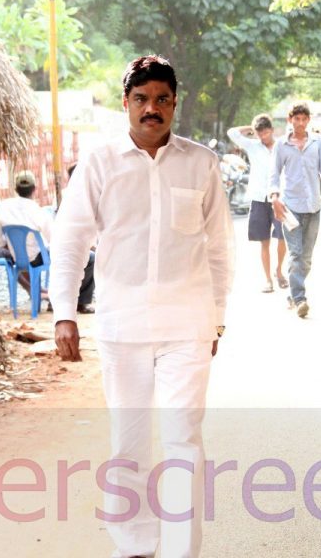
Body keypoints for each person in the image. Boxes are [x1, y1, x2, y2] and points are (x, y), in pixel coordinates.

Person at [50, 55, 234, 558]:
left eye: (162, 100)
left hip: (188, 325)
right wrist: (64, 311)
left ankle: (179, 550)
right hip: (121, 326)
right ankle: (134, 545)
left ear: (175, 103)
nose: (152, 109)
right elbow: (70, 239)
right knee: (127, 445)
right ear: (125, 103)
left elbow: (219, 246)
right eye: (141, 100)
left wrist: (216, 316)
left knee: (182, 443)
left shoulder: (201, 163)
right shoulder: (100, 161)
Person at [0, 171, 95, 313]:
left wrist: (14, 248)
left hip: (15, 259)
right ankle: (79, 303)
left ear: (16, 189)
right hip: (38, 258)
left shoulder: (3, 208)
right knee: (89, 258)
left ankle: (56, 301)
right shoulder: (37, 211)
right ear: (34, 189)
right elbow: (55, 238)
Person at [269, 102, 321, 318]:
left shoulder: (317, 142)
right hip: (290, 207)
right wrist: (275, 197)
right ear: (290, 120)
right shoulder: (282, 145)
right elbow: (274, 174)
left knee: (306, 258)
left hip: (313, 206)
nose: (299, 122)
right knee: (296, 254)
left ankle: (292, 292)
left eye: (303, 119)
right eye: (295, 118)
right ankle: (300, 299)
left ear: (308, 120)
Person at [227, 114, 287, 293]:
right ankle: (268, 279)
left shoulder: (281, 146)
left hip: (279, 198)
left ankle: (279, 271)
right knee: (264, 241)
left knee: (283, 237)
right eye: (260, 133)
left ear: (272, 130)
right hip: (259, 198)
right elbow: (232, 133)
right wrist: (251, 128)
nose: (263, 137)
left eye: (266, 133)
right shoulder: (253, 146)